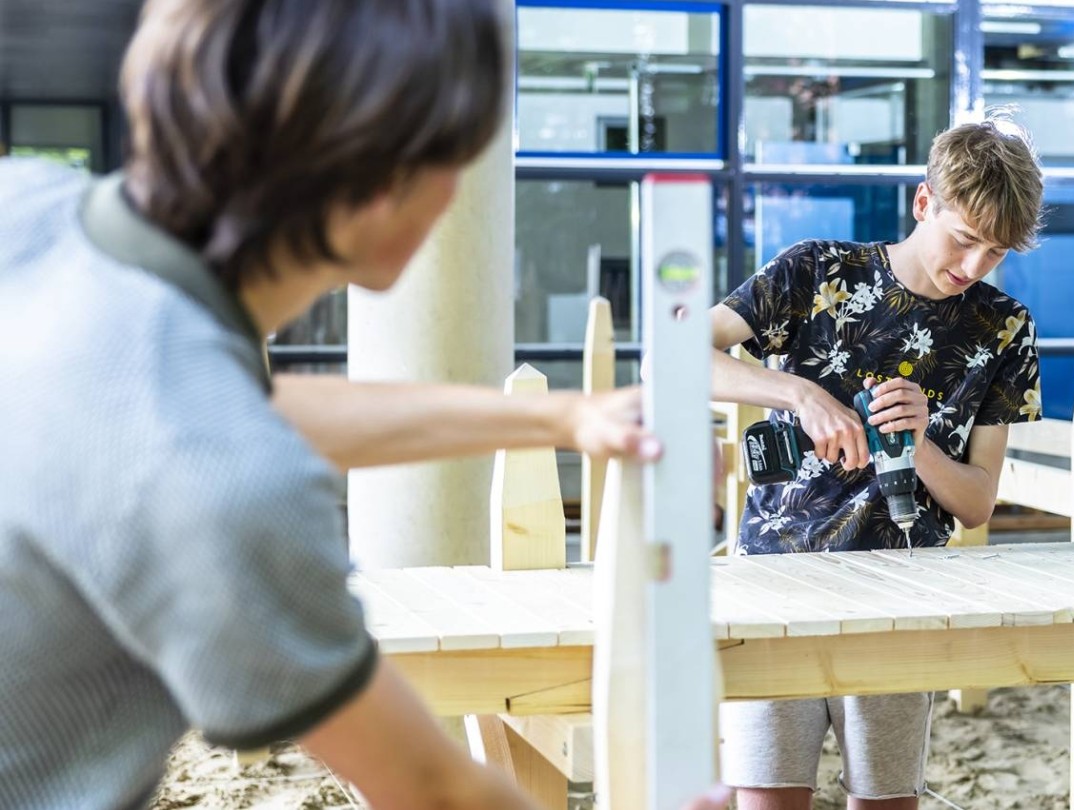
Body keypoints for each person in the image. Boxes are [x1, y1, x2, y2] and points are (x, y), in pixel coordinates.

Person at [0, 1, 727, 808]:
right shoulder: (226, 486)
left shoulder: (26, 211)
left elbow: (215, 414)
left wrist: (559, 419)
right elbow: (430, 788)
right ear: (382, 187)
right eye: (460, 156)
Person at [708, 117, 1045, 810]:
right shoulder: (817, 272)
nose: (975, 267)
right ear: (925, 204)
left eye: (998, 252)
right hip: (776, 584)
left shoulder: (1004, 326)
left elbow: (977, 504)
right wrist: (798, 393)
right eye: (965, 240)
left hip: (903, 595)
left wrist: (918, 444)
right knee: (767, 797)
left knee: (886, 800)